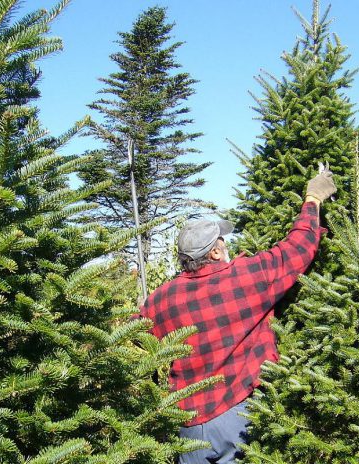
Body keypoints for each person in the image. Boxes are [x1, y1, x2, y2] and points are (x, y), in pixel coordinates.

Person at [139, 168, 337, 464]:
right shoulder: (245, 278)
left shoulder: (161, 298)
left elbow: (131, 336)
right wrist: (313, 198)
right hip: (237, 415)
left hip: (186, 428)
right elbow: (297, 249)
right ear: (216, 253)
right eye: (223, 241)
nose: (226, 245)